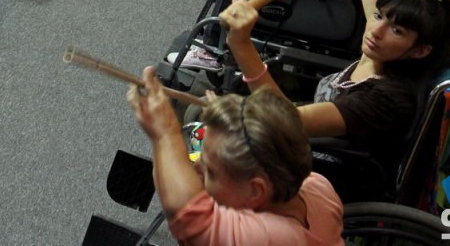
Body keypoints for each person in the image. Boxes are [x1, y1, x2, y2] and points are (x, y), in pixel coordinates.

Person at [218, 0, 450, 185]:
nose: (375, 29)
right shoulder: (382, 50)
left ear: (420, 51)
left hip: (318, 177)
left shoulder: (387, 99)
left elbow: (286, 120)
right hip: (302, 145)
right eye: (379, 15)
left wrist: (242, 46)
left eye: (397, 30)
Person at [128, 68, 345, 246]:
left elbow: (189, 215)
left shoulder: (277, 237)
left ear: (255, 190)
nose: (195, 168)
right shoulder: (317, 185)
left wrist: (164, 133)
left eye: (211, 172)